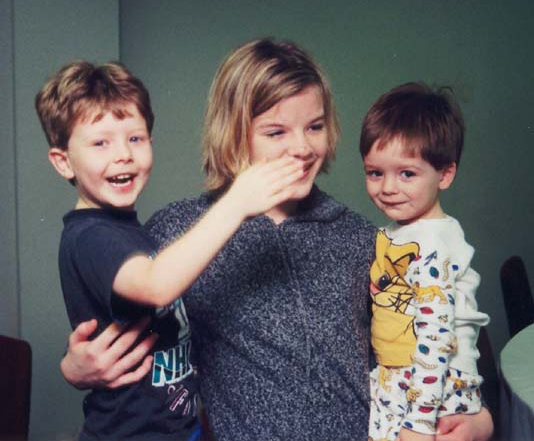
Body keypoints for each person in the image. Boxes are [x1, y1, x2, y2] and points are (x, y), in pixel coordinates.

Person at [60, 40, 494, 441]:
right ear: (234, 133)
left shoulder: (362, 237)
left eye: (315, 127)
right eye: (276, 132)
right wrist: (76, 368)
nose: (302, 148)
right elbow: (134, 334)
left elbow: (431, 339)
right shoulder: (181, 232)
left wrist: (479, 420)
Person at [35, 60, 304, 441]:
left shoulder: (133, 232)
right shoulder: (90, 236)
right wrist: (237, 202)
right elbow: (156, 286)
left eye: (135, 138)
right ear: (64, 162)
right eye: (100, 143)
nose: (123, 154)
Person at [360, 82, 491, 441]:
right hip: (404, 378)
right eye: (375, 172)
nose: (388, 187)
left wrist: (418, 422)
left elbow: (437, 334)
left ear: (445, 174)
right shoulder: (401, 232)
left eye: (407, 173)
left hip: (433, 388)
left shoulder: (432, 243)